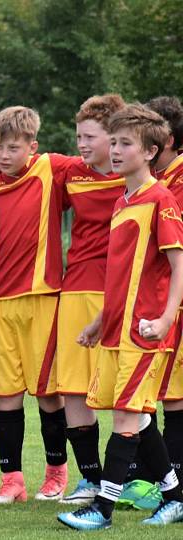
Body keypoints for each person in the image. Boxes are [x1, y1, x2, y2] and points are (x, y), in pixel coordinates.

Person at [57, 104, 183, 530]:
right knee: (139, 415)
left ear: (150, 151)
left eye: (124, 143)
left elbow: (179, 265)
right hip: (115, 327)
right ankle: (175, 496)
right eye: (112, 142)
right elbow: (120, 273)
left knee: (126, 417)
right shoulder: (122, 201)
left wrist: (166, 320)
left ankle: (102, 509)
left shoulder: (160, 199)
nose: (114, 150)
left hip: (145, 330)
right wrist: (98, 321)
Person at [0, 106, 72, 504]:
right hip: (0, 299)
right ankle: (11, 480)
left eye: (13, 147)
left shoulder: (52, 169)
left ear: (32, 147)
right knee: (7, 393)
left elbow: (101, 162)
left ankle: (56, 474)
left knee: (48, 393)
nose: (4, 155)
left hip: (43, 297)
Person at [55, 95, 127, 505]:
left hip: (121, 290)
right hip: (77, 286)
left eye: (90, 136)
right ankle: (90, 478)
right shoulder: (71, 172)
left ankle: (134, 479)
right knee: (73, 388)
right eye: (78, 135)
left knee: (123, 385)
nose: (82, 143)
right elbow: (26, 166)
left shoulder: (137, 174)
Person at [147, 96, 183, 489]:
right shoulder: (154, 181)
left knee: (174, 393)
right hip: (158, 300)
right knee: (160, 390)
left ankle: (174, 480)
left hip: (174, 301)